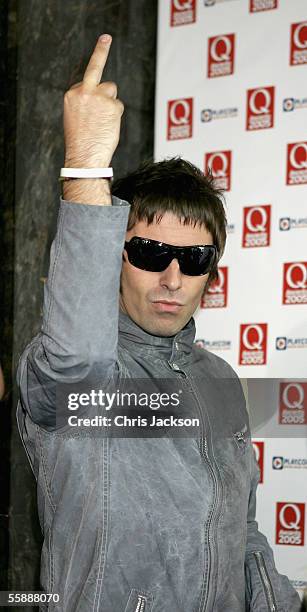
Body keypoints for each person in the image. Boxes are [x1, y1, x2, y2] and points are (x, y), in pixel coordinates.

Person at [16, 35, 301, 612]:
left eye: (193, 259)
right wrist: (87, 165)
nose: (172, 278)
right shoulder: (84, 373)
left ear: (211, 272)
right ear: (114, 258)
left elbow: (240, 532)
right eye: (148, 252)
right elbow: (74, 359)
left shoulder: (218, 378)